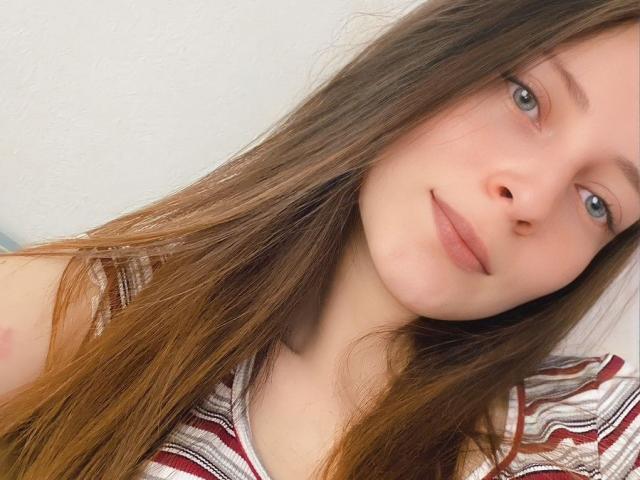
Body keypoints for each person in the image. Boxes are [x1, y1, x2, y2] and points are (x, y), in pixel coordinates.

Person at [0, 1, 638, 479]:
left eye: (596, 203)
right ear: (441, 55)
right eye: (526, 98)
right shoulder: (99, 310)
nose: (531, 199)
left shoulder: (598, 431)